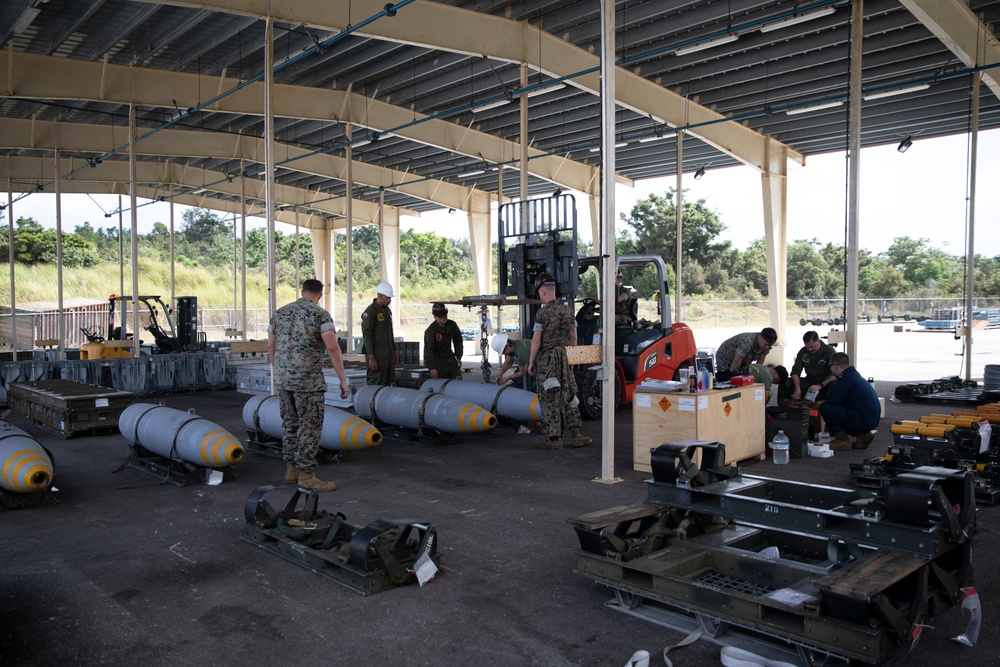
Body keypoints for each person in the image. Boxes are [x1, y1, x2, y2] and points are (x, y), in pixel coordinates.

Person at [267, 279, 349, 492]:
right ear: (320, 295)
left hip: (284, 381)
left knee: (290, 424)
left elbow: (270, 345)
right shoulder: (320, 315)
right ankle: (307, 475)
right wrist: (342, 379)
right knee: (309, 427)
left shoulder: (279, 314)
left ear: (302, 292)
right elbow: (332, 347)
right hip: (308, 383)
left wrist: (281, 372)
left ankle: (291, 469)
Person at [528, 274, 591, 449]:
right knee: (569, 394)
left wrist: (531, 361)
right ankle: (576, 434)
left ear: (542, 292)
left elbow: (536, 341)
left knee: (550, 396)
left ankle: (554, 438)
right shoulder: (569, 312)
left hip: (548, 361)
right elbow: (575, 338)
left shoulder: (542, 313)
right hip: (566, 358)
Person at [819, 352, 880, 451]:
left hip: (863, 421)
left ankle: (842, 440)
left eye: (830, 366)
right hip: (870, 421)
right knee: (837, 409)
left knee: (825, 407)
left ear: (835, 366)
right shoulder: (853, 375)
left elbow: (833, 400)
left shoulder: (845, 378)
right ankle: (864, 435)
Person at [361, 281, 398, 386]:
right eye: (388, 298)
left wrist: (394, 351)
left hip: (388, 354)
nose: (390, 300)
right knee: (376, 382)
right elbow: (367, 336)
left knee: (390, 382)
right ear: (380, 296)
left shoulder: (387, 311)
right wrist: (371, 358)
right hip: (377, 355)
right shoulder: (370, 312)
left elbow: (390, 333)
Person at [788, 331, 837, 401]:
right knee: (787, 383)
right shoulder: (803, 352)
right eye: (807, 347)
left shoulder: (829, 351)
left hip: (826, 382)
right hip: (810, 381)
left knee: (835, 384)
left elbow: (834, 375)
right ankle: (785, 407)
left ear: (819, 341)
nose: (809, 349)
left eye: (812, 346)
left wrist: (820, 385)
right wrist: (797, 388)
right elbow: (795, 371)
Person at [424, 302, 463, 380]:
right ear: (435, 317)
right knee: (442, 385)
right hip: (438, 362)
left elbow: (458, 341)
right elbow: (428, 350)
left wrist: (458, 357)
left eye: (445, 315)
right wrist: (432, 368)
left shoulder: (452, 325)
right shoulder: (431, 331)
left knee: (458, 382)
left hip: (451, 359)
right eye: (441, 316)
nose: (444, 318)